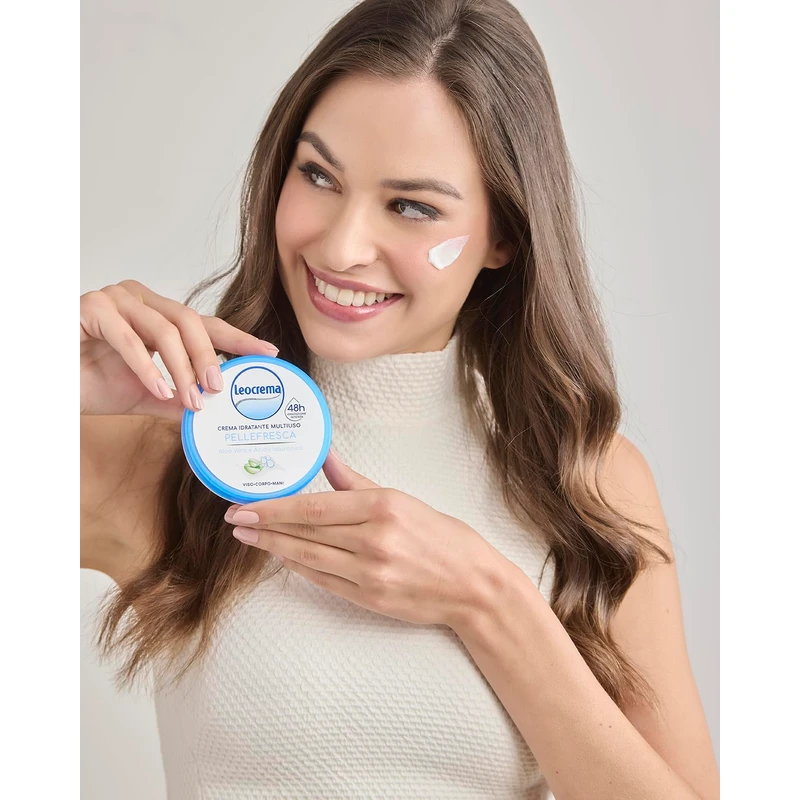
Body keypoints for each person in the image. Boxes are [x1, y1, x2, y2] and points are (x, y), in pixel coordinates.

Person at [80, 0, 719, 797]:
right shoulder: (176, 451)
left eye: (412, 207)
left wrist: (488, 603)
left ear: (504, 235)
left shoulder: (588, 480)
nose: (342, 246)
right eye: (318, 175)